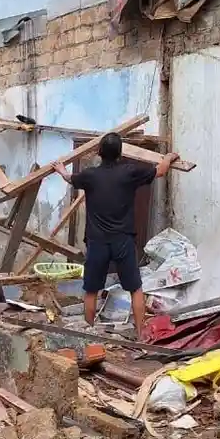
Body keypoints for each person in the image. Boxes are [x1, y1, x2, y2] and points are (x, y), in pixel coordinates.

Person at [53, 132, 179, 332]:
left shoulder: (90, 176)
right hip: (123, 241)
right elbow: (161, 171)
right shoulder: (129, 172)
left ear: (100, 152)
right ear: (120, 153)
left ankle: (89, 334)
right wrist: (169, 157)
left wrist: (61, 171)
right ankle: (140, 335)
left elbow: (70, 178)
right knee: (135, 289)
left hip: (97, 242)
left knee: (91, 290)